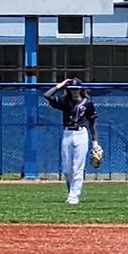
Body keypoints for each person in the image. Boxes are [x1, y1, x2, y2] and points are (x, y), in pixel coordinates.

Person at [43, 76, 98, 205]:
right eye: (72, 88)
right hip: (67, 133)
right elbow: (47, 95)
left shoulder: (87, 103)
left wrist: (95, 141)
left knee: (77, 167)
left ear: (81, 89)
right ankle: (71, 192)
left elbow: (92, 124)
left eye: (76, 88)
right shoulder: (65, 101)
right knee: (67, 169)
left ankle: (74, 196)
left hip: (81, 133)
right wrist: (60, 85)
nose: (74, 91)